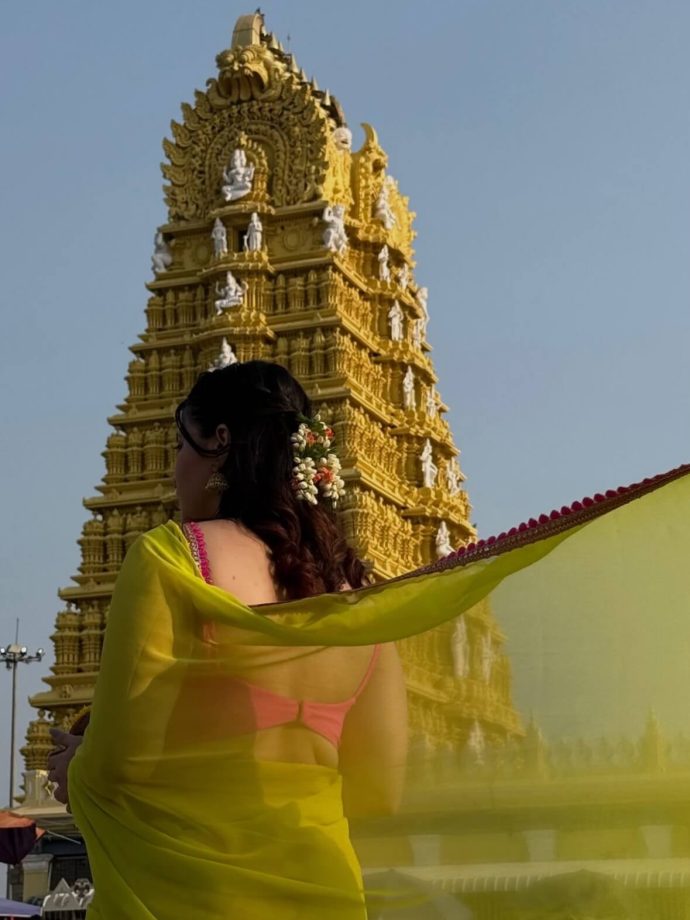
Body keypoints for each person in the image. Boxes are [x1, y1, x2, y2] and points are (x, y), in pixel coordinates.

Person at [49, 360, 408, 919]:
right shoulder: (359, 594)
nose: (175, 471)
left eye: (180, 446)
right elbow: (380, 789)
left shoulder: (172, 559)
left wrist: (76, 765)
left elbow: (123, 763)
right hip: (325, 890)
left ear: (220, 443)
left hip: (197, 897)